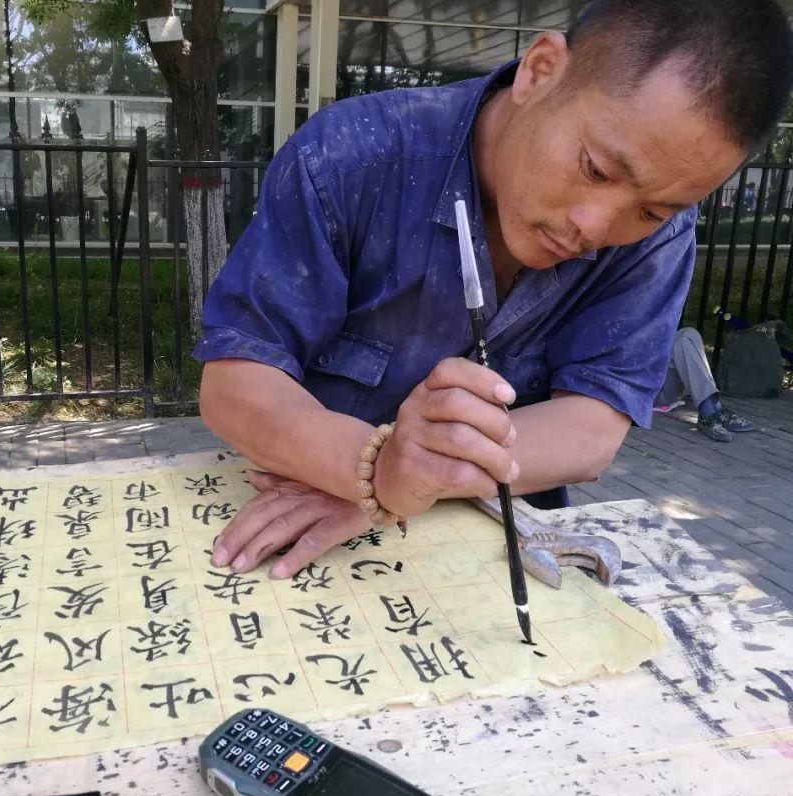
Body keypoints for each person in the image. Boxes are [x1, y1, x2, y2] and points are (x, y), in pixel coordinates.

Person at [194, 0, 793, 581]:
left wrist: (408, 482)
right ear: (540, 71)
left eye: (651, 211)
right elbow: (236, 379)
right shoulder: (351, 156)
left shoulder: (659, 236)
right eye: (596, 169)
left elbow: (590, 427)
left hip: (494, 546)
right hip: (303, 519)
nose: (594, 227)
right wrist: (371, 467)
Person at [655, 327, 755, 442]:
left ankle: (712, 408)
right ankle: (709, 412)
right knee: (681, 341)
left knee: (689, 335)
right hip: (645, 390)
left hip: (656, 374)